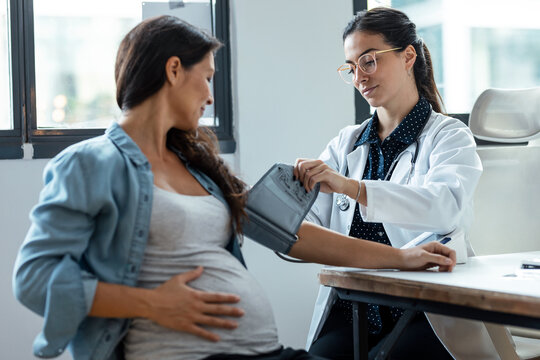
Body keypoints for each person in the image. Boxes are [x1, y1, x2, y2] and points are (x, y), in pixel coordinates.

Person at [13, 15, 456, 360]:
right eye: (205, 77)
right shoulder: (91, 163)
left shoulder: (200, 166)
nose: (209, 96)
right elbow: (34, 279)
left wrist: (402, 258)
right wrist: (150, 304)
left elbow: (290, 232)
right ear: (172, 70)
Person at [293, 7, 484, 360]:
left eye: (369, 61)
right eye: (351, 68)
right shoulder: (346, 143)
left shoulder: (449, 136)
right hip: (353, 309)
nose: (359, 77)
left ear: (408, 55)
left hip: (424, 312)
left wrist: (353, 187)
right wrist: (282, 205)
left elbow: (444, 207)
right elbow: (307, 225)